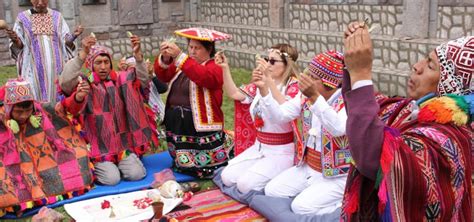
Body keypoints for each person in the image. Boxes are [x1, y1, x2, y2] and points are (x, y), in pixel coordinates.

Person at [341, 22, 472, 221]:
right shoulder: (411, 110)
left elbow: (376, 157)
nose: (417, 66)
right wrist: (354, 57)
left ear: (451, 86)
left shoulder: (448, 139)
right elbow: (367, 111)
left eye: (430, 66)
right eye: (425, 58)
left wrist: (361, 74)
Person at [262, 51, 349, 215]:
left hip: (336, 176)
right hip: (308, 168)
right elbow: (280, 116)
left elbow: (337, 128)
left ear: (328, 82)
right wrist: (264, 91)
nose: (306, 78)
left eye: (312, 76)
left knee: (300, 207)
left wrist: (315, 97)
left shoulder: (348, 101)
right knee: (272, 190)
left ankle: (341, 206)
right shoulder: (305, 96)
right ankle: (312, 197)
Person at [59, 33, 152, 186]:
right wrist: (82, 54)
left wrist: (138, 57)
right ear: (90, 65)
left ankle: (123, 162)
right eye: (98, 63)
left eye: (106, 62)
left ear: (111, 63)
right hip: (98, 147)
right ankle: (95, 166)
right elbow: (65, 82)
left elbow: (142, 80)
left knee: (137, 175)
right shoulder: (83, 83)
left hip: (122, 144)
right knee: (112, 179)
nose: (103, 67)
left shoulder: (121, 80)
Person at [215, 44, 301, 194]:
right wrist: (225, 68)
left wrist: (267, 83)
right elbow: (235, 94)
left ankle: (279, 179)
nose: (268, 64)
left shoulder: (293, 85)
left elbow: (285, 110)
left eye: (273, 61)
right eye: (267, 59)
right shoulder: (261, 83)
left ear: (287, 65)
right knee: (227, 177)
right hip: (259, 147)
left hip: (281, 151)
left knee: (244, 185)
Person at [0, 79, 93, 216]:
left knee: (78, 154)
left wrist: (78, 97)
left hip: (42, 161)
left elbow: (62, 108)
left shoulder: (40, 110)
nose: (24, 116)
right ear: (8, 108)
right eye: (18, 112)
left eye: (27, 110)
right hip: (14, 164)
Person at [154, 28, 233, 178]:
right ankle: (182, 164)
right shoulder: (183, 64)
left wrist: (180, 57)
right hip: (178, 120)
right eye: (190, 47)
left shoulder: (214, 66)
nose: (193, 51)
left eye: (197, 48)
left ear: (209, 50)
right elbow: (163, 76)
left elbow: (204, 78)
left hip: (201, 124)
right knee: (180, 151)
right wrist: (165, 58)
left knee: (204, 159)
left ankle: (205, 167)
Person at [6, 0, 83, 102]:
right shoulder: (22, 18)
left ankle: (56, 115)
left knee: (57, 96)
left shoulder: (57, 17)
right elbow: (19, 46)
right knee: (35, 97)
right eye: (36, 0)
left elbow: (66, 41)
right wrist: (16, 40)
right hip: (32, 68)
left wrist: (74, 36)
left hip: (56, 66)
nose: (40, 3)